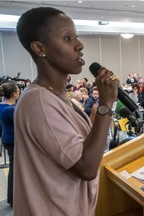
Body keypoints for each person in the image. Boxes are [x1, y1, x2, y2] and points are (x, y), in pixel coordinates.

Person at [14, 7, 119, 215]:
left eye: (76, 37)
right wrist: (106, 105)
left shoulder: (61, 98)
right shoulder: (38, 101)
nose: (79, 46)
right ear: (39, 48)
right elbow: (86, 168)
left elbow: (85, 149)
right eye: (67, 38)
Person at [0, 82, 20, 207]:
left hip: (7, 139)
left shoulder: (2, 106)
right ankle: (12, 198)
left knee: (14, 169)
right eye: (18, 91)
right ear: (13, 93)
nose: (19, 92)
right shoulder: (11, 109)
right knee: (14, 170)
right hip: (13, 141)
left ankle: (13, 198)